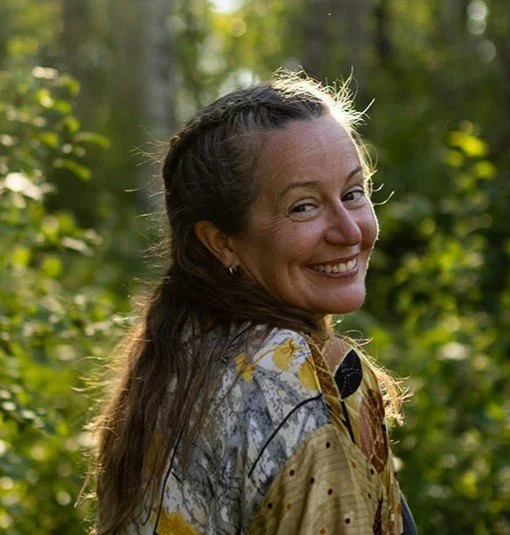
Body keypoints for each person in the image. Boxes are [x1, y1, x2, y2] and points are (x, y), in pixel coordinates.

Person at [89, 73, 417, 534]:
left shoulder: (183, 353)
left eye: (353, 193)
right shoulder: (302, 376)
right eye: (303, 207)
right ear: (222, 241)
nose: (349, 231)